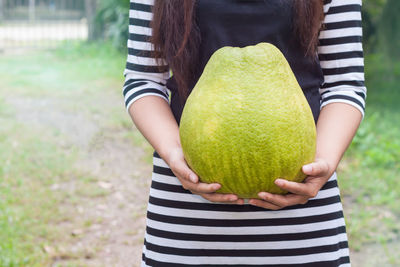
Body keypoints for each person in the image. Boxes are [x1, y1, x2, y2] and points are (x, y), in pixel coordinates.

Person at [123, 0, 366, 266]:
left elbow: (345, 83)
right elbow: (143, 79)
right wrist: (174, 155)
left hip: (302, 215)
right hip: (187, 215)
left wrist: (324, 162)